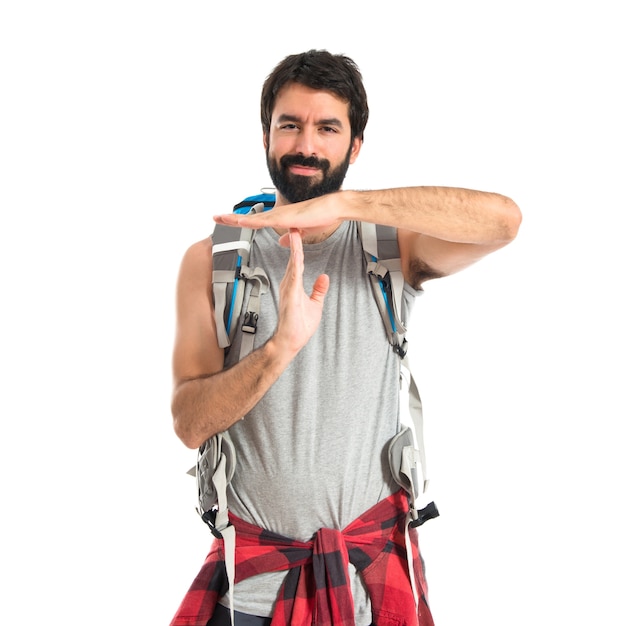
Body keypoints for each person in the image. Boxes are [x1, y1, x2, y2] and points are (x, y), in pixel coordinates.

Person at [169, 49, 521, 626]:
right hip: (253, 585)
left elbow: (504, 221)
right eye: (290, 124)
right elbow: (189, 423)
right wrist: (278, 349)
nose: (306, 144)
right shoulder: (212, 260)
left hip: (372, 583)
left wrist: (348, 204)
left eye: (327, 128)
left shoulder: (392, 249)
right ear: (266, 136)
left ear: (354, 146)